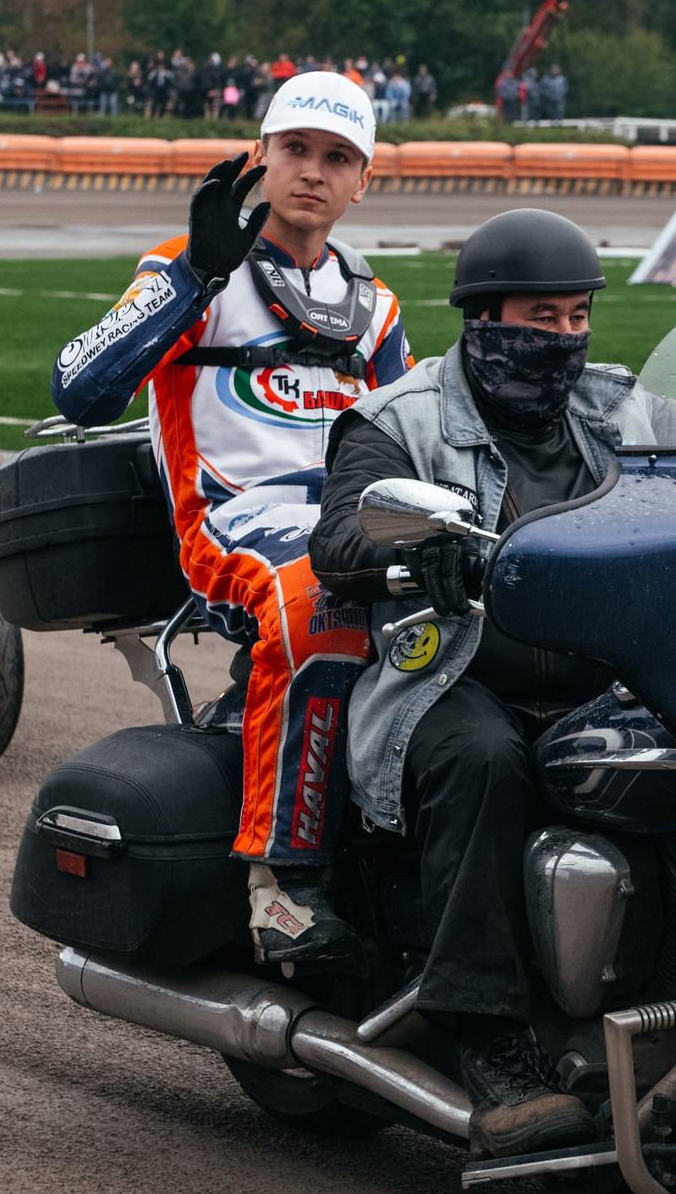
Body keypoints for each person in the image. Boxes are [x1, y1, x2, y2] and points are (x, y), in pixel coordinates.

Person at [308, 210, 676, 1156]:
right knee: (483, 759)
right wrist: (420, 545)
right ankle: (490, 1039)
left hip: (608, 672)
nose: (560, 338)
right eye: (538, 316)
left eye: (575, 317)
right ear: (481, 318)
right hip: (456, 676)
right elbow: (342, 535)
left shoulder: (615, 406)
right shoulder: (403, 418)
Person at [50, 72, 410, 966]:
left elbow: (411, 428)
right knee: (315, 594)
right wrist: (194, 276)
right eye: (294, 150)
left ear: (364, 179)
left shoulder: (379, 306)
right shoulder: (188, 262)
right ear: (259, 157)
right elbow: (81, 388)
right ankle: (281, 885)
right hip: (233, 525)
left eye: (337, 158)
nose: (313, 173)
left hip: (348, 514)